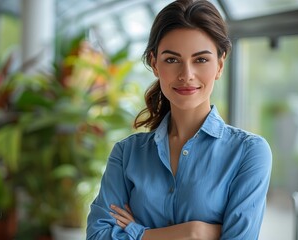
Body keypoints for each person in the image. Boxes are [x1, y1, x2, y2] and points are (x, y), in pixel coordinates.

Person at [86, 0, 272, 239]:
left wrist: (137, 233)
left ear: (220, 65)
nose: (186, 75)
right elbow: (97, 235)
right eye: (172, 60)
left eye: (201, 60)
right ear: (154, 64)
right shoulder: (126, 154)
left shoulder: (249, 152)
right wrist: (194, 232)